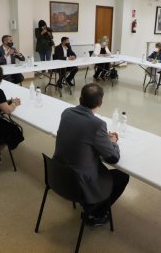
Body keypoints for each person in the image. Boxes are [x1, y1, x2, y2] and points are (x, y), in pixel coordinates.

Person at [53, 83, 129, 226]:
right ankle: (96, 213)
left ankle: (92, 205)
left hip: (58, 176)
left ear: (80, 99)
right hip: (79, 183)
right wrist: (113, 141)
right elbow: (113, 158)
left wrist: (99, 139)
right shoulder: (97, 124)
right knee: (122, 176)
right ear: (100, 103)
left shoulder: (67, 112)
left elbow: (80, 137)